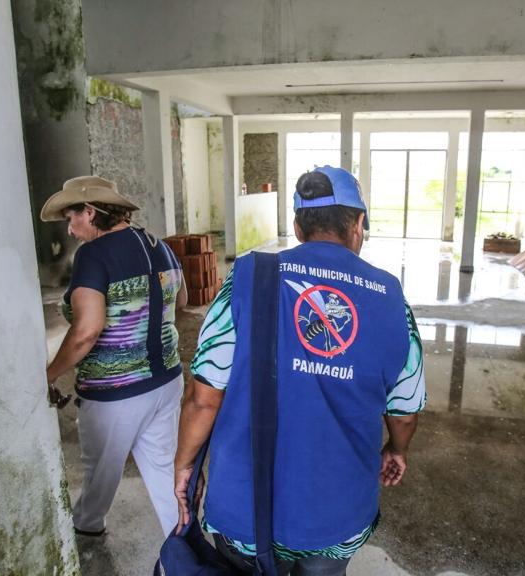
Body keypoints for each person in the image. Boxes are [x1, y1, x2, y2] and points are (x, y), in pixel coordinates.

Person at [175, 166, 426, 574]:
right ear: (358, 224)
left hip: (245, 507)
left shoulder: (246, 277)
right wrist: (397, 449)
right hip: (336, 513)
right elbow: (405, 411)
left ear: (296, 226)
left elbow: (203, 398)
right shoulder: (391, 298)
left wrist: (185, 465)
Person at [41, 175, 186, 537]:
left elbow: (87, 331)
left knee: (100, 471)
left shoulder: (93, 254)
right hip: (166, 379)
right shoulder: (158, 244)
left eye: (71, 219)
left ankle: (87, 526)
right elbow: (180, 302)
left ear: (90, 212)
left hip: (116, 392)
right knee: (163, 469)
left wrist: (48, 373)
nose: (71, 231)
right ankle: (185, 544)